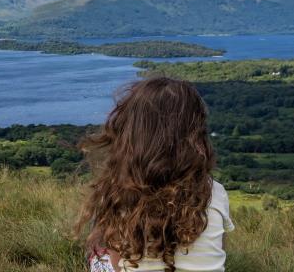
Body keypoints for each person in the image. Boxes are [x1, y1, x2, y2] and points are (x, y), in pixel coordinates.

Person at [76, 77, 234, 272]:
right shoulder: (215, 192)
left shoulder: (122, 193)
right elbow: (219, 253)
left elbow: (118, 265)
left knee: (98, 249)